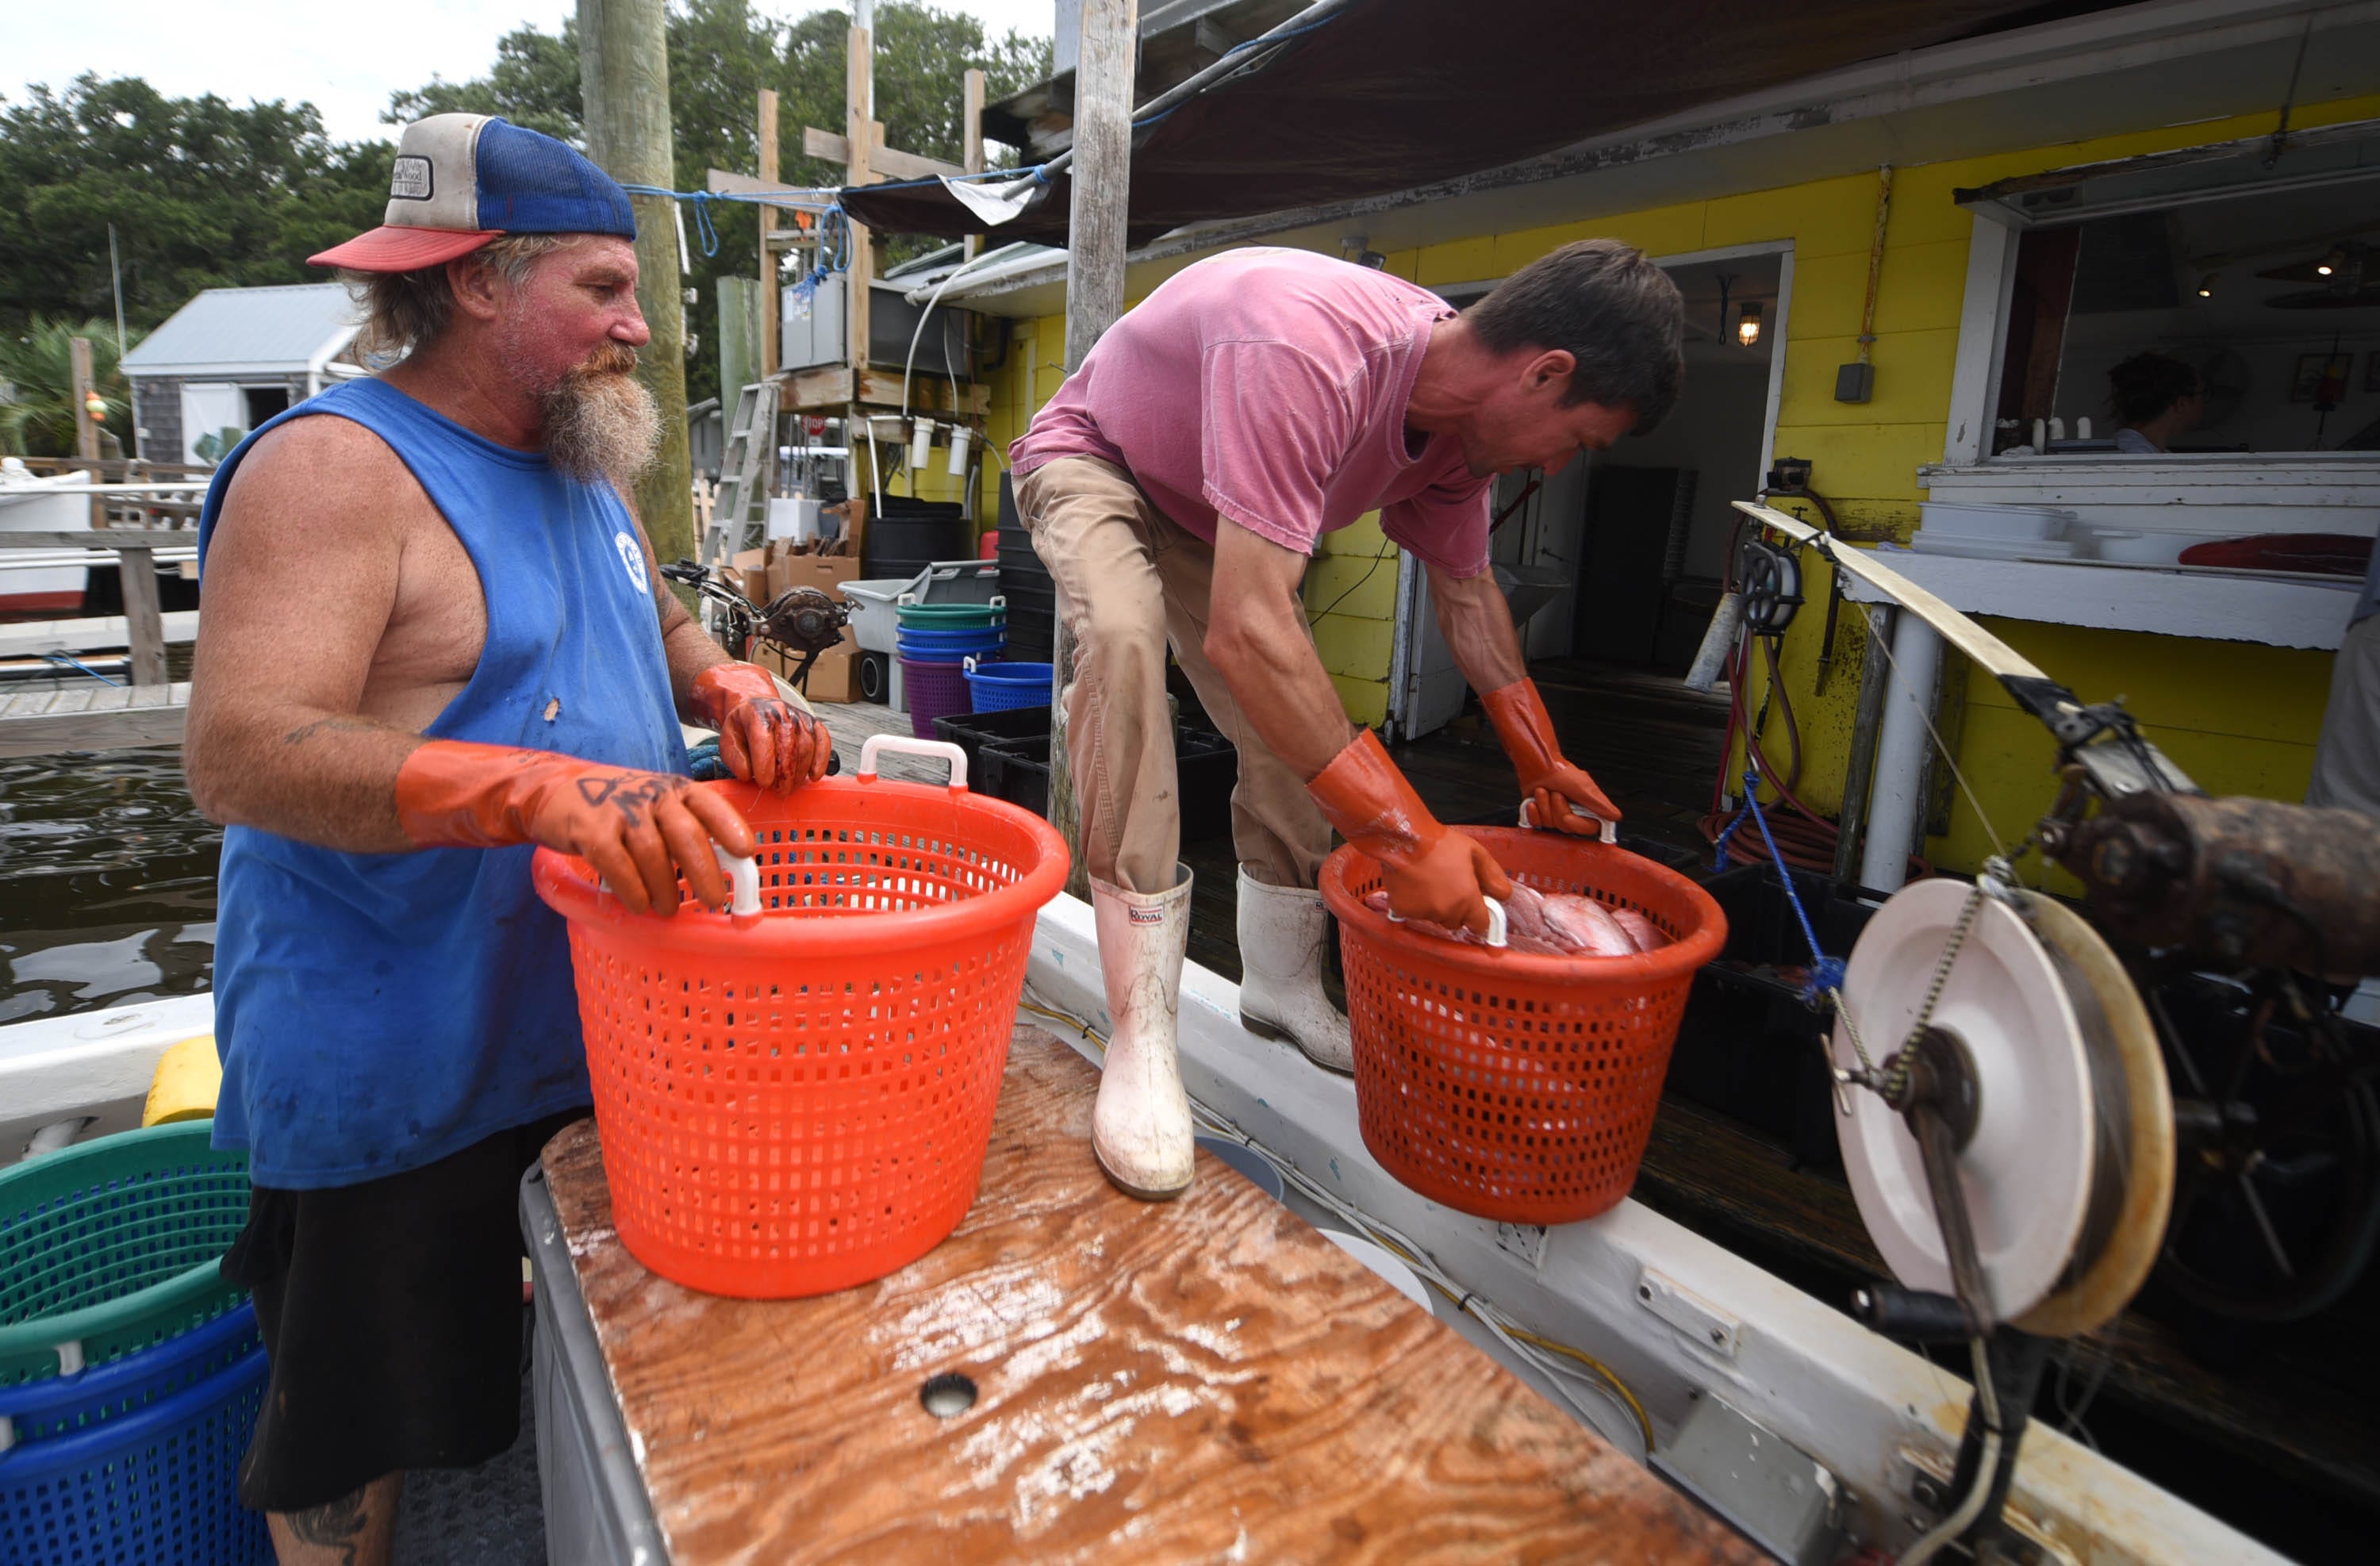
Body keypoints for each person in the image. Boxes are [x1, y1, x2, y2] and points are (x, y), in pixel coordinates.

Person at [183, 114, 828, 1566]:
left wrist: (725, 679)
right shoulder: (334, 469)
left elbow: (649, 618)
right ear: (479, 282)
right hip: (397, 1059)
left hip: (592, 1026)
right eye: (602, 288)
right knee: (354, 1431)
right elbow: (242, 750)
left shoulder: (582, 457)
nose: (640, 325)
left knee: (543, 1355)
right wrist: (546, 790)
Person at [1012, 240, 1683, 1200]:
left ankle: (1280, 986)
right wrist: (1410, 840)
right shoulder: (1308, 347)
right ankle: (1140, 1034)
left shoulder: (1462, 440)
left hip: (1209, 513)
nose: (1563, 465)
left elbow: (1466, 593)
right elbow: (1250, 629)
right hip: (1097, 457)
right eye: (1580, 440)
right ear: (1545, 373)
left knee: (1294, 727)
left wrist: (1541, 762)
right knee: (1123, 643)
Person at [2107, 351, 2204, 453]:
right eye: (2203, 394)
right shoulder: (2135, 455)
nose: (2204, 404)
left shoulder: (2144, 451)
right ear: (2182, 404)